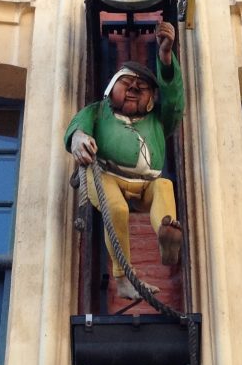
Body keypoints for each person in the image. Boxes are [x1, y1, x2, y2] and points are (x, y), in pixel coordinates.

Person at [64, 21, 184, 300]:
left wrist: (165, 58)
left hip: (145, 182)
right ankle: (123, 276)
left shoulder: (156, 121)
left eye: (141, 88)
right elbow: (77, 129)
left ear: (152, 101)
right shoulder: (99, 112)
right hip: (106, 175)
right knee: (116, 210)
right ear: (109, 90)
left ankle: (166, 232)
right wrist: (79, 140)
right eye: (126, 84)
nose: (133, 89)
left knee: (164, 187)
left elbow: (175, 101)